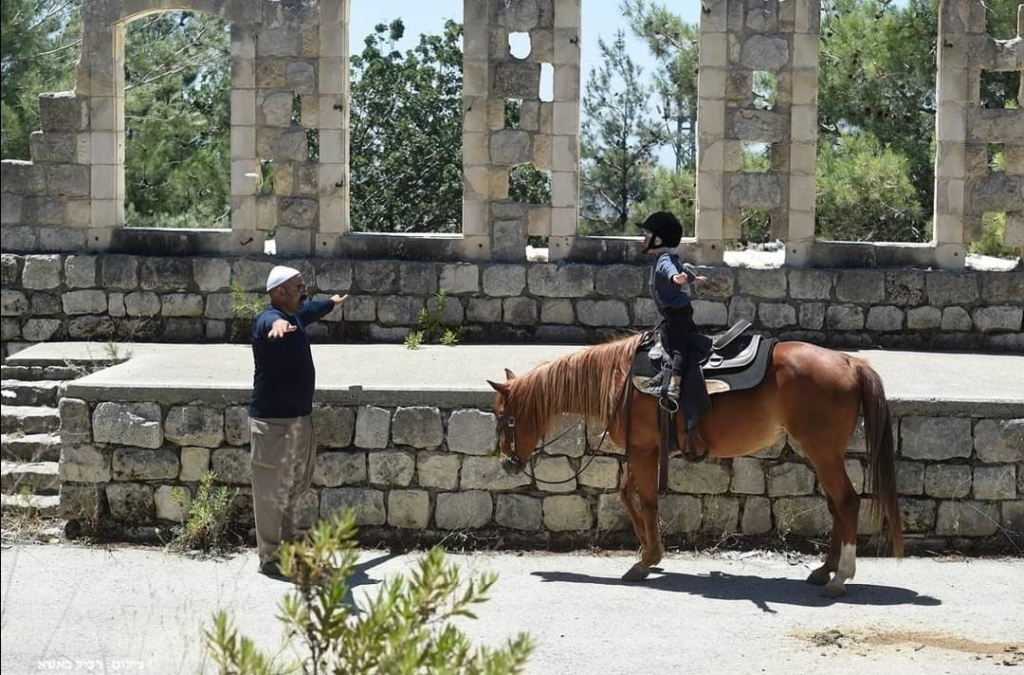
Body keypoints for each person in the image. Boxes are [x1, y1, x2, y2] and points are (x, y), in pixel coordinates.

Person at [248, 265, 348, 578]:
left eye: (304, 286)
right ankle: (271, 559)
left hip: (298, 421)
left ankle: (288, 550)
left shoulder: (296, 317)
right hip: (273, 426)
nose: (304, 291)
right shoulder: (270, 318)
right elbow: (270, 323)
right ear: (279, 292)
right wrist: (277, 326)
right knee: (271, 493)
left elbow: (313, 310)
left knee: (291, 488)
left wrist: (331, 303)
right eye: (298, 287)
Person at [639, 211, 711, 454]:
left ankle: (675, 386)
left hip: (675, 315)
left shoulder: (664, 260)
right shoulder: (669, 257)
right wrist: (691, 278)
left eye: (647, 234)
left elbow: (673, 271)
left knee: (678, 349)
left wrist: (680, 278)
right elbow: (680, 270)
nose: (644, 239)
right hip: (680, 311)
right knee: (690, 342)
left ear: (659, 239)